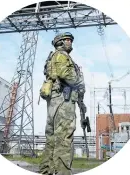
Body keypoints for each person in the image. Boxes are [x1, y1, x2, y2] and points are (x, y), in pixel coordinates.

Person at [39, 32, 86, 175]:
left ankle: (46, 170)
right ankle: (62, 172)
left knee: (52, 139)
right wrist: (81, 81)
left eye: (70, 40)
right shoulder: (61, 56)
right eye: (67, 40)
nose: (70, 42)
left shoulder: (54, 57)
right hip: (63, 102)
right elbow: (68, 77)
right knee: (64, 139)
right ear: (59, 42)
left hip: (55, 101)